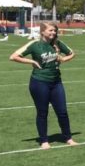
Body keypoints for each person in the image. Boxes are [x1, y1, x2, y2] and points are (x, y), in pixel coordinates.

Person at [10, 21, 78, 149]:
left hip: (56, 82)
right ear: (42, 31)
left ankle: (68, 137)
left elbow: (72, 53)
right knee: (42, 112)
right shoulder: (35, 44)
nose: (53, 33)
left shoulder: (57, 43)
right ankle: (44, 140)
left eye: (54, 30)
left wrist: (63, 59)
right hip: (39, 82)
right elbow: (13, 56)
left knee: (62, 112)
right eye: (50, 30)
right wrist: (31, 61)